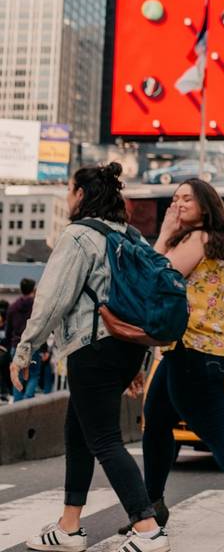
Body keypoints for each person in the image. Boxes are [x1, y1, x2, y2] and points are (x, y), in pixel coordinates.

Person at [10, 163, 170, 552]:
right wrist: (141, 362)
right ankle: (69, 527)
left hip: (92, 347)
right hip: (127, 347)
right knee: (77, 435)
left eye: (69, 190)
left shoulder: (80, 235)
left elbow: (52, 298)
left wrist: (25, 349)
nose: (67, 197)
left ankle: (147, 528)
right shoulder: (132, 237)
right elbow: (146, 304)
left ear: (82, 194)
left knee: (103, 440)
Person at [139, 178, 224, 546]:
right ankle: (150, 509)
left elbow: (156, 277)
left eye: (188, 198)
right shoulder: (207, 240)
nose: (179, 204)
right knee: (156, 421)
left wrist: (165, 230)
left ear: (205, 206)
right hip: (185, 350)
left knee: (215, 431)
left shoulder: (198, 239)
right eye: (176, 198)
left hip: (196, 351)